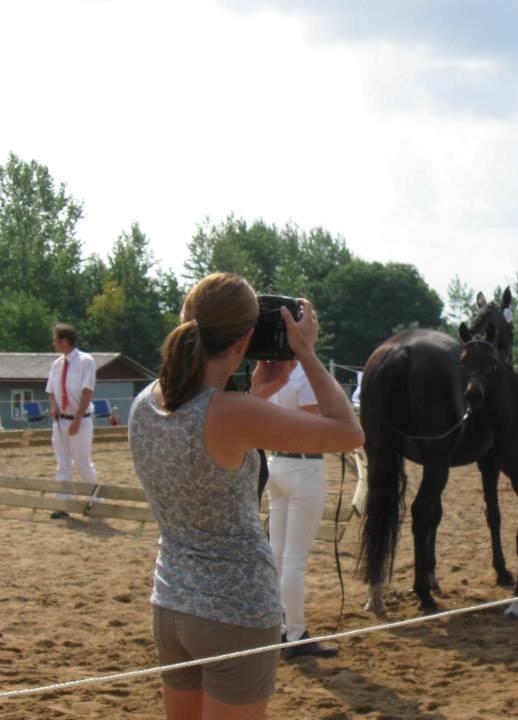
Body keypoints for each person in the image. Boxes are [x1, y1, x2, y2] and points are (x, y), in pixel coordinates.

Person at [127, 272, 363, 720]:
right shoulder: (232, 413)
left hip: (171, 600)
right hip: (236, 611)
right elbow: (349, 433)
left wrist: (258, 391)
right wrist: (306, 354)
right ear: (247, 339)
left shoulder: (145, 403)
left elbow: (207, 431)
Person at [266, 361, 339, 660]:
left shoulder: (270, 374)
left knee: (278, 554)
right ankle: (295, 634)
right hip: (303, 466)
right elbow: (315, 423)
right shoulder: (303, 375)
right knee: (293, 560)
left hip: (277, 463)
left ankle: (278, 627)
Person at [45, 323, 98, 520]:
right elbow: (51, 391)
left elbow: (87, 391)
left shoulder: (86, 361)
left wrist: (77, 419)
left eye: (56, 339)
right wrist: (54, 406)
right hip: (60, 422)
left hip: (81, 420)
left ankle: (94, 501)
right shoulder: (56, 364)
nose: (54, 343)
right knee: (62, 464)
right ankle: (63, 504)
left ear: (64, 341)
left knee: (83, 463)